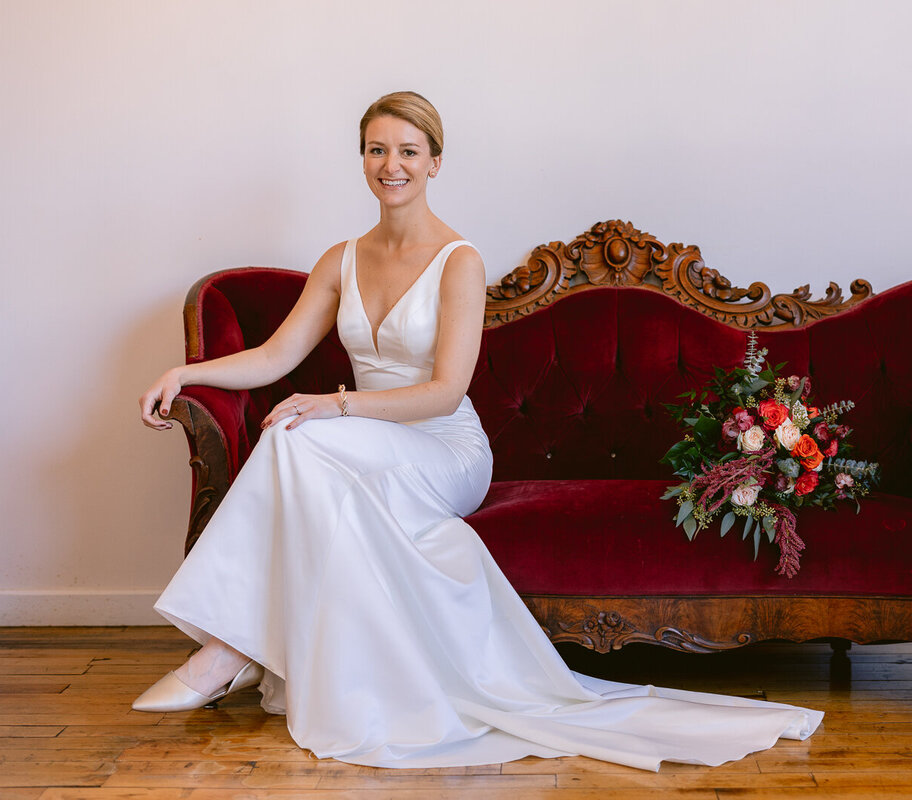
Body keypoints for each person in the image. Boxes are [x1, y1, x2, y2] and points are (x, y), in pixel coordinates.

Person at [134, 91, 823, 771]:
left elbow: (445, 392)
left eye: (408, 151)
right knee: (294, 440)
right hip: (361, 441)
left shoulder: (457, 260)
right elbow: (276, 357)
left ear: (435, 162)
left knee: (299, 434)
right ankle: (239, 649)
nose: (391, 164)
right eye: (377, 150)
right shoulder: (340, 259)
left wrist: (337, 405)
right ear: (362, 159)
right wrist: (186, 374)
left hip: (444, 448)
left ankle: (233, 650)